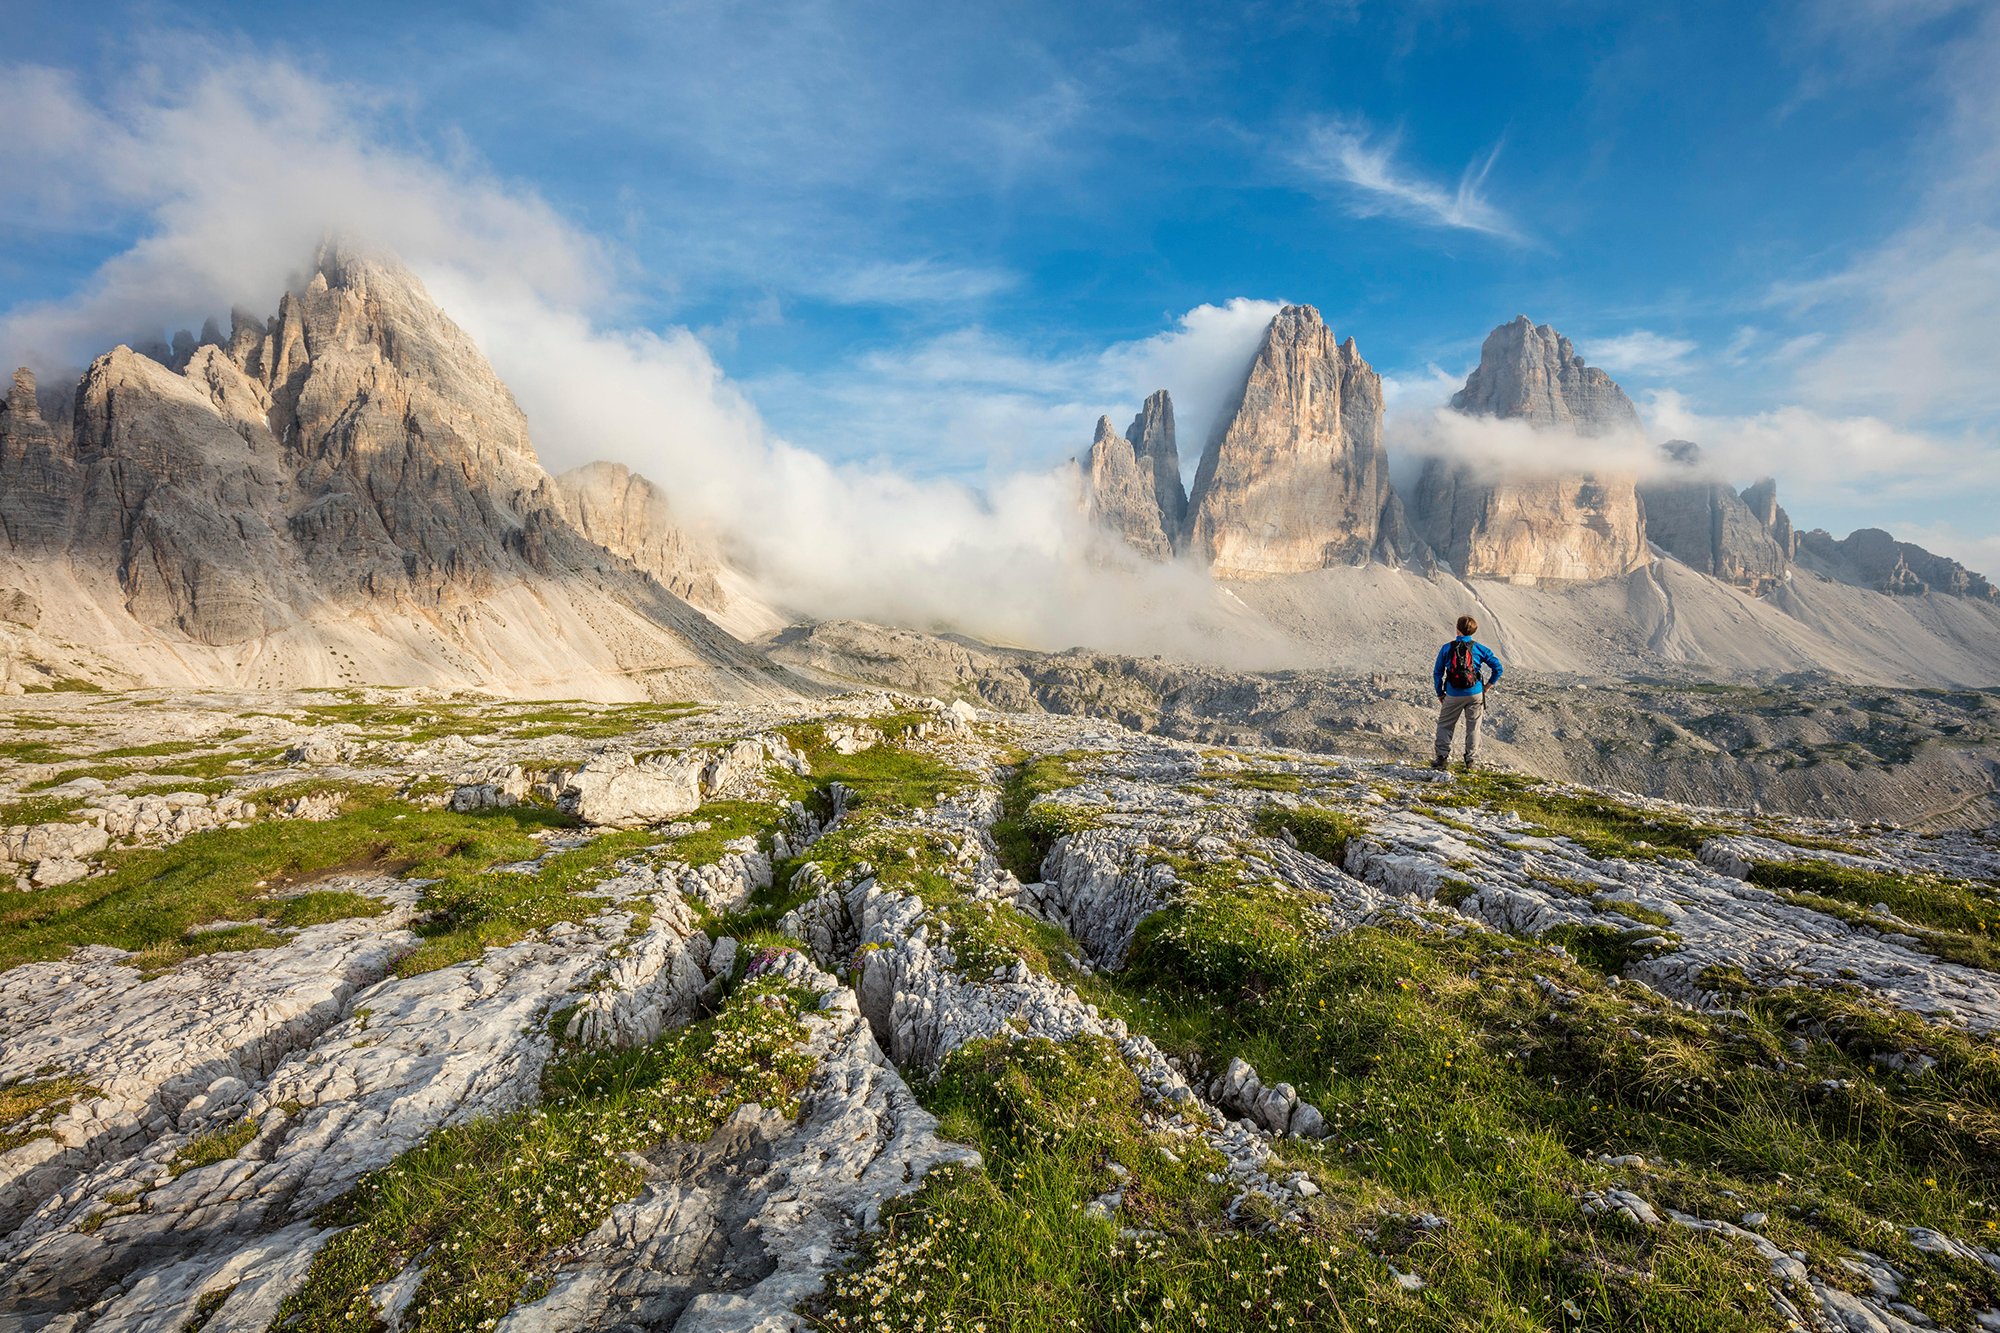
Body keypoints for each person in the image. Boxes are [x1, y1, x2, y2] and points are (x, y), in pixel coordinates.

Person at [1432, 614, 1502, 771]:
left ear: (1457, 629)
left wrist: (1440, 693)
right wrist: (1487, 686)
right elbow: (1498, 668)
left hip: (1453, 693)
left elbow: (1437, 672)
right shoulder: (1479, 648)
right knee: (1473, 727)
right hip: (1475, 693)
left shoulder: (1447, 648)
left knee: (1445, 725)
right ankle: (1470, 761)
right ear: (1473, 631)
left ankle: (1442, 759)